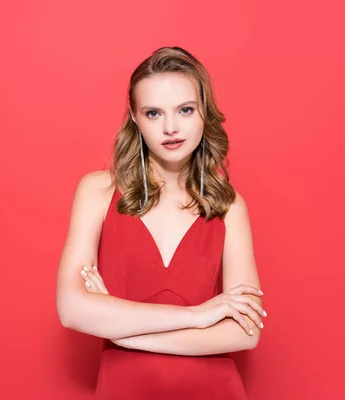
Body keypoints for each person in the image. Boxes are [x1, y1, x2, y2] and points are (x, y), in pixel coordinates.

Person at [55, 46, 266, 399]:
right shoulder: (97, 191)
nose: (170, 127)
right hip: (125, 389)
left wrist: (121, 330)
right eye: (153, 113)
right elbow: (71, 309)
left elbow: (245, 332)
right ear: (135, 118)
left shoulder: (229, 207)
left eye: (185, 110)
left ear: (204, 114)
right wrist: (198, 316)